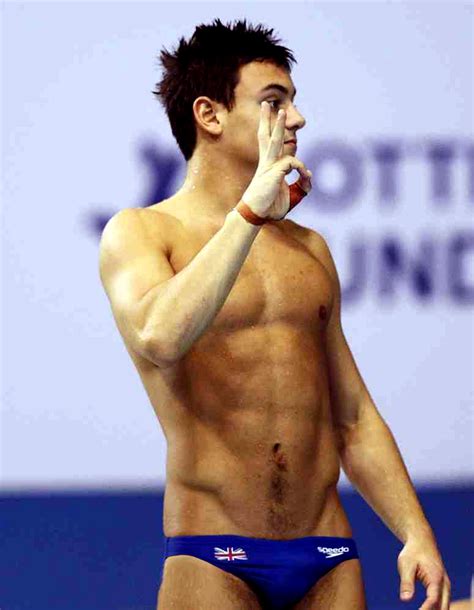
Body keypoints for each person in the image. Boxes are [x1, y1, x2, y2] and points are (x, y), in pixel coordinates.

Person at [99, 18, 451, 610]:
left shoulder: (309, 250)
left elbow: (354, 418)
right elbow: (160, 336)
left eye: (292, 101)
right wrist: (249, 216)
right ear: (210, 116)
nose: (297, 118)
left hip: (328, 554)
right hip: (212, 553)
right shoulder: (141, 232)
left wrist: (416, 530)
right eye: (274, 102)